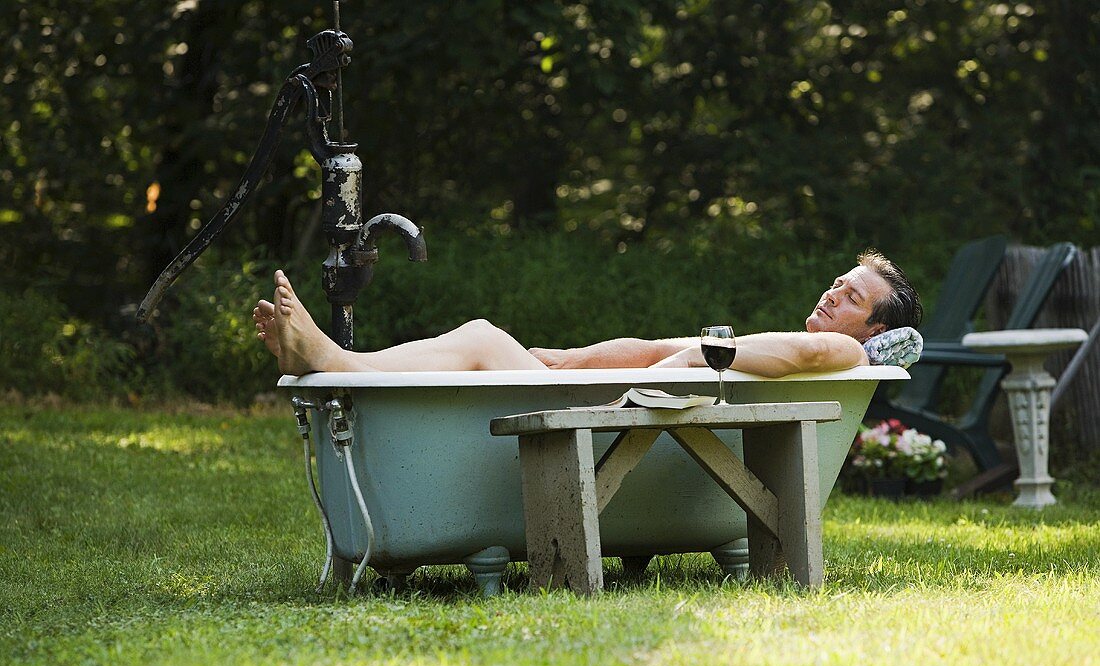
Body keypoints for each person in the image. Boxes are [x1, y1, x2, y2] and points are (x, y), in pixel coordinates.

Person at [252, 249, 921, 378]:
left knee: (483, 337)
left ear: (876, 330)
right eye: (838, 281)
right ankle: (333, 363)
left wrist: (701, 356)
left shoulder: (848, 354)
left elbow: (808, 354)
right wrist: (560, 361)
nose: (833, 294)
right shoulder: (815, 342)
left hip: (616, 426)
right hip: (621, 410)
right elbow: (651, 345)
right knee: (492, 342)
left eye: (852, 297)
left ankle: (335, 363)